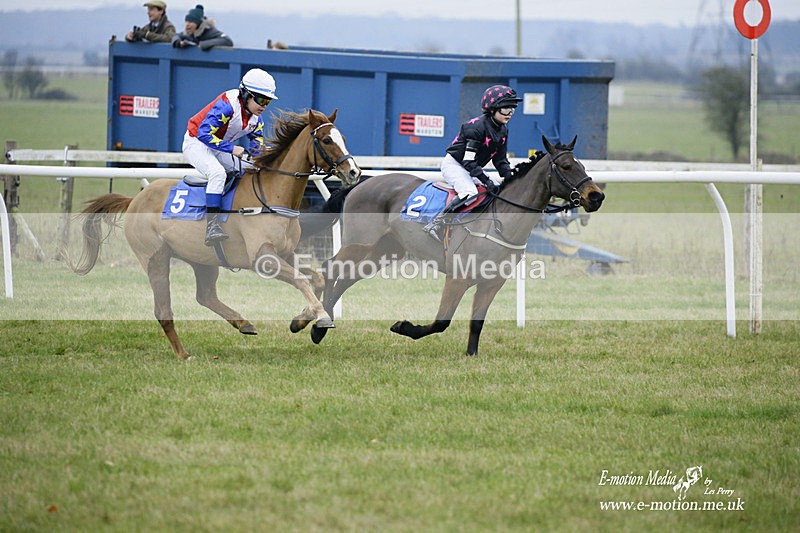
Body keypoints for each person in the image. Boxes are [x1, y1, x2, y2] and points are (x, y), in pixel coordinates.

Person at [182, 68, 278, 246]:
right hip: (196, 143)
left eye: (268, 101)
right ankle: (212, 226)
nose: (264, 106)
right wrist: (232, 148)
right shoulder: (227, 105)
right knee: (218, 173)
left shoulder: (257, 119)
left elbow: (257, 148)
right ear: (246, 95)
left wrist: (266, 158)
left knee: (251, 169)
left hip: (219, 146)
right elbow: (204, 133)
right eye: (260, 100)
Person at [423, 84, 523, 242]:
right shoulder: (476, 127)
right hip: (455, 165)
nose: (510, 113)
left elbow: (500, 160)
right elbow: (468, 161)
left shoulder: (503, 130)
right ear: (492, 108)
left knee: (494, 190)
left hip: (470, 167)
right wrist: (486, 180)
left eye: (513, 109)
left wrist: (511, 178)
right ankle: (436, 223)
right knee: (470, 192)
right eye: (506, 108)